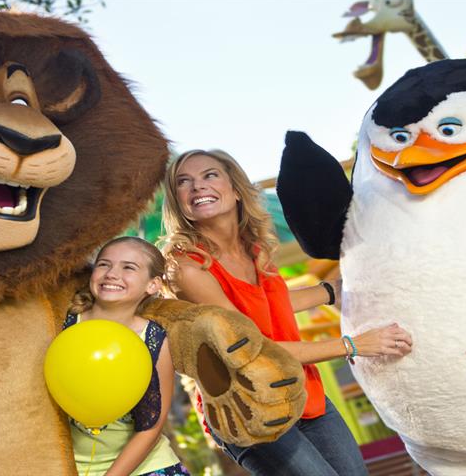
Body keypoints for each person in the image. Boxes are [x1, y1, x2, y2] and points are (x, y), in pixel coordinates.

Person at [161, 149, 413, 476]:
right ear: (178, 201)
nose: (197, 186)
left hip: (301, 391)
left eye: (209, 175)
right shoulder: (187, 268)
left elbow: (265, 306)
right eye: (184, 182)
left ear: (235, 190)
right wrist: (354, 345)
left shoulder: (254, 250)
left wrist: (331, 291)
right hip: (248, 407)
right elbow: (249, 350)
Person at [63, 236, 190, 476]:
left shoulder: (154, 339)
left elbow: (150, 428)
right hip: (64, 467)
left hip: (145, 468)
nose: (112, 274)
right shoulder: (63, 324)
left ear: (152, 285)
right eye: (104, 264)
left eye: (128, 267)